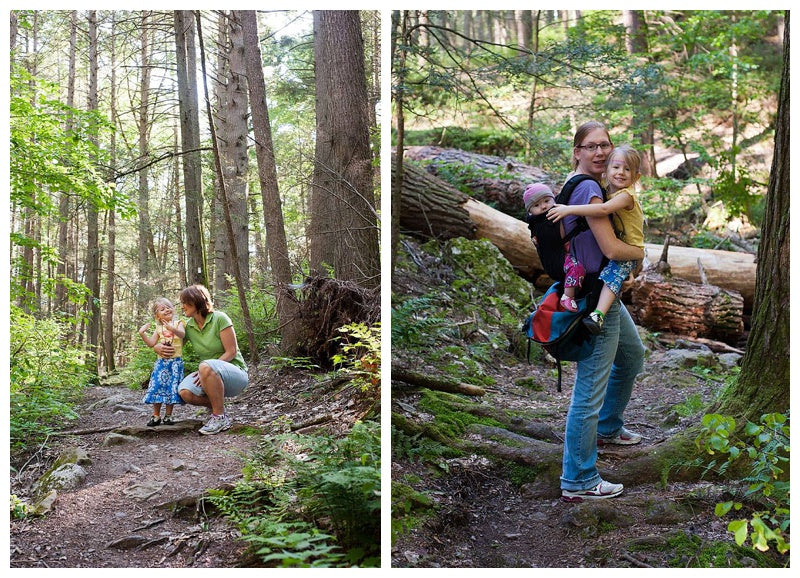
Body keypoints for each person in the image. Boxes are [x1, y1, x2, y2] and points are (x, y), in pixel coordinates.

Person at [555, 121, 646, 502]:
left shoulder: (572, 184)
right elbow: (612, 250)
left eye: (604, 146)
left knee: (632, 356)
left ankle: (609, 427)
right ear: (577, 151)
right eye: (591, 146)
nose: (601, 153)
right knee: (588, 391)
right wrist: (640, 253)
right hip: (596, 297)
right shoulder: (591, 190)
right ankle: (578, 479)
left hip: (598, 289)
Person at [547, 144, 645, 334]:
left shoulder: (626, 195)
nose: (621, 173)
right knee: (612, 273)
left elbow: (603, 210)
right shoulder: (606, 190)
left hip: (630, 247)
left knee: (612, 276)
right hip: (624, 249)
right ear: (607, 169)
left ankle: (598, 314)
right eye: (616, 167)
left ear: (636, 177)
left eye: (627, 169)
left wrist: (569, 209)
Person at [153, 284, 248, 435]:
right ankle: (220, 407)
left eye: (185, 302)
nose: (182, 306)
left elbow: (231, 352)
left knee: (204, 366)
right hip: (208, 373)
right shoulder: (188, 326)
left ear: (196, 302)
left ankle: (219, 417)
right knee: (184, 392)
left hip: (235, 374)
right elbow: (173, 346)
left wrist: (208, 368)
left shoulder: (220, 318)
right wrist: (157, 347)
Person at [523, 182, 585, 312]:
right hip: (556, 260)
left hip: (564, 252)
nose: (544, 206)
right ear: (530, 210)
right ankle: (568, 296)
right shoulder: (539, 222)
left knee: (577, 268)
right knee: (575, 267)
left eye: (547, 200)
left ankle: (571, 291)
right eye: (536, 205)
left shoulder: (555, 209)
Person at [138, 298, 185, 426]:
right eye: (162, 309)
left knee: (172, 388)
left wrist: (172, 328)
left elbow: (182, 334)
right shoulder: (159, 328)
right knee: (157, 387)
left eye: (169, 307)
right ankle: (156, 415)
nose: (167, 310)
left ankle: (168, 416)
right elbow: (151, 343)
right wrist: (142, 334)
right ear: (157, 315)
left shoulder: (178, 323)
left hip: (175, 363)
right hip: (161, 364)